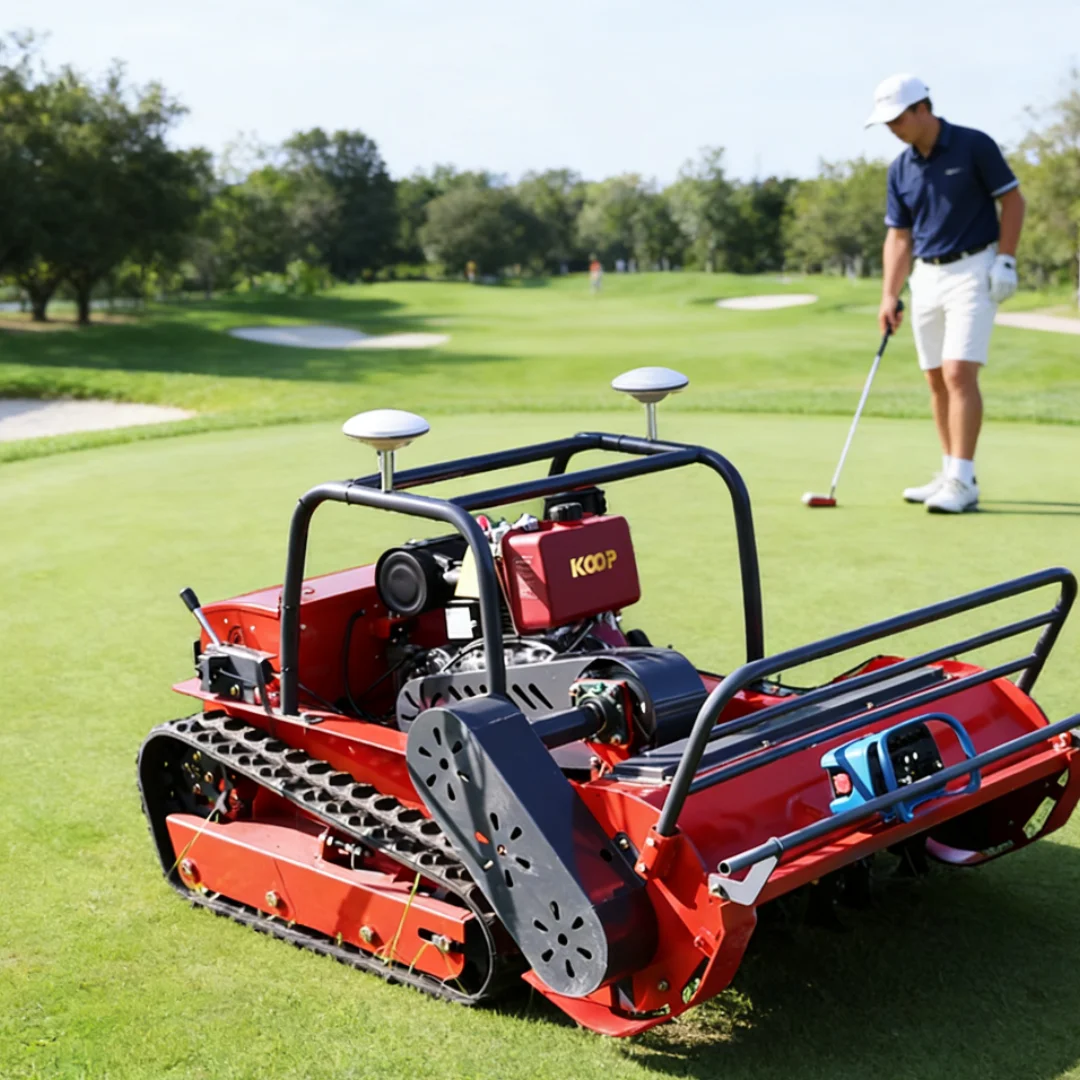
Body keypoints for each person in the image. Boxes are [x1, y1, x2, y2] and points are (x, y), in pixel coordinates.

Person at [867, 74, 1025, 513]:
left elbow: (1013, 201)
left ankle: (963, 478)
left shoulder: (974, 145)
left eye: (896, 118)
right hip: (927, 277)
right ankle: (950, 472)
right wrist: (888, 295)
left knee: (958, 373)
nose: (891, 128)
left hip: (975, 268)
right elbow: (899, 237)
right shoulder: (900, 168)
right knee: (935, 376)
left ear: (922, 108)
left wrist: (1006, 259)